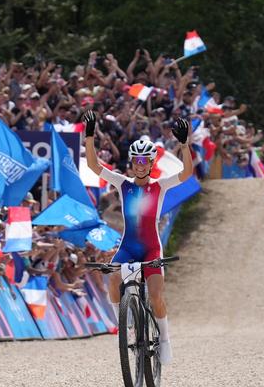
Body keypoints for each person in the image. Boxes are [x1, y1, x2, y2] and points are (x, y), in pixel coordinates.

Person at [83, 109, 193, 365]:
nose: (141, 165)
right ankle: (123, 328)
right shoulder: (123, 184)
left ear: (152, 163)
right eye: (137, 161)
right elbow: (93, 165)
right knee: (112, 279)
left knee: (155, 296)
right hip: (129, 247)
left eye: (145, 161)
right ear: (132, 162)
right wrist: (89, 138)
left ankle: (164, 338)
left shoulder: (160, 186)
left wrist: (184, 145)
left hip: (151, 248)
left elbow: (186, 174)